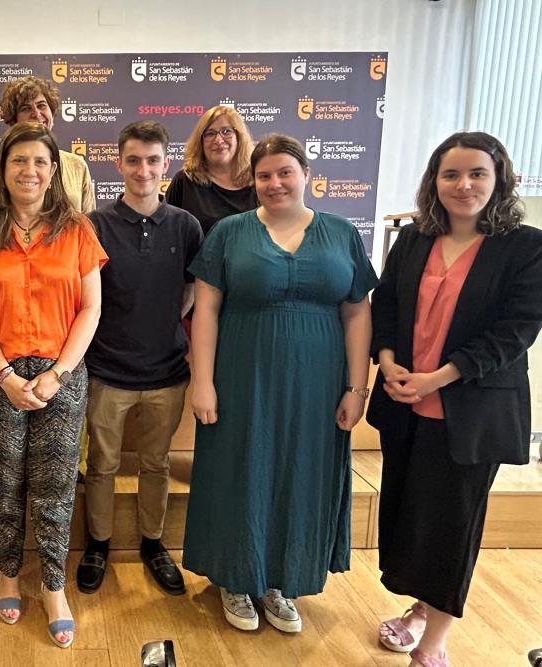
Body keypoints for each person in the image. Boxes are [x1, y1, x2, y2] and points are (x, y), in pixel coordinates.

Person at [183, 134, 377, 633]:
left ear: (306, 174)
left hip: (318, 383)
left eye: (285, 172)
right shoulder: (229, 232)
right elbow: (206, 310)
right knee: (239, 468)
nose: (275, 183)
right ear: (253, 180)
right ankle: (234, 577)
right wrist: (202, 381)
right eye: (264, 175)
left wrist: (357, 389)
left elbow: (357, 312)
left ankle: (280, 580)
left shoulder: (341, 233)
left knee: (301, 473)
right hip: (242, 375)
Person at [369, 132, 542, 667]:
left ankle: (434, 643)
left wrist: (437, 379)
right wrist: (389, 361)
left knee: (454, 526)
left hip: (471, 412)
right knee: (412, 519)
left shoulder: (526, 247)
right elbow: (386, 306)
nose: (463, 185)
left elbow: (515, 331)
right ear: (434, 182)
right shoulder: (414, 239)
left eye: (476, 174)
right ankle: (421, 607)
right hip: (404, 403)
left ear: (500, 180)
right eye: (451, 174)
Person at [0, 122, 106, 648]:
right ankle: (7, 573)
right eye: (18, 160)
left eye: (40, 161)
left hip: (61, 372)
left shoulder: (77, 230)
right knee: (4, 481)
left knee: (56, 485)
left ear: (54, 170)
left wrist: (58, 374)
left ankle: (53, 586)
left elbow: (91, 308)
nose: (30, 170)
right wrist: (4, 376)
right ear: (2, 170)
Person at [77, 121, 202, 597]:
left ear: (166, 164)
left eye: (152, 160)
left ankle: (153, 544)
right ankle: (98, 545)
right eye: (133, 160)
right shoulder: (95, 224)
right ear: (119, 164)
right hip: (107, 371)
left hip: (167, 371)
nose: (143, 170)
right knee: (102, 465)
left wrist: (163, 324)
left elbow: (191, 291)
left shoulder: (186, 226)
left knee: (156, 464)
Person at [0, 76, 96, 214]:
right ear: (14, 119)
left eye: (41, 105)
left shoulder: (77, 165)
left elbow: (88, 222)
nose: (37, 114)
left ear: (52, 111)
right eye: (26, 108)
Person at [164, 105, 256, 235]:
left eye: (226, 131)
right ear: (200, 141)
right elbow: (165, 232)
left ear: (239, 137)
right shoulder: (185, 181)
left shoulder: (258, 180)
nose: (218, 140)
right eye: (210, 133)